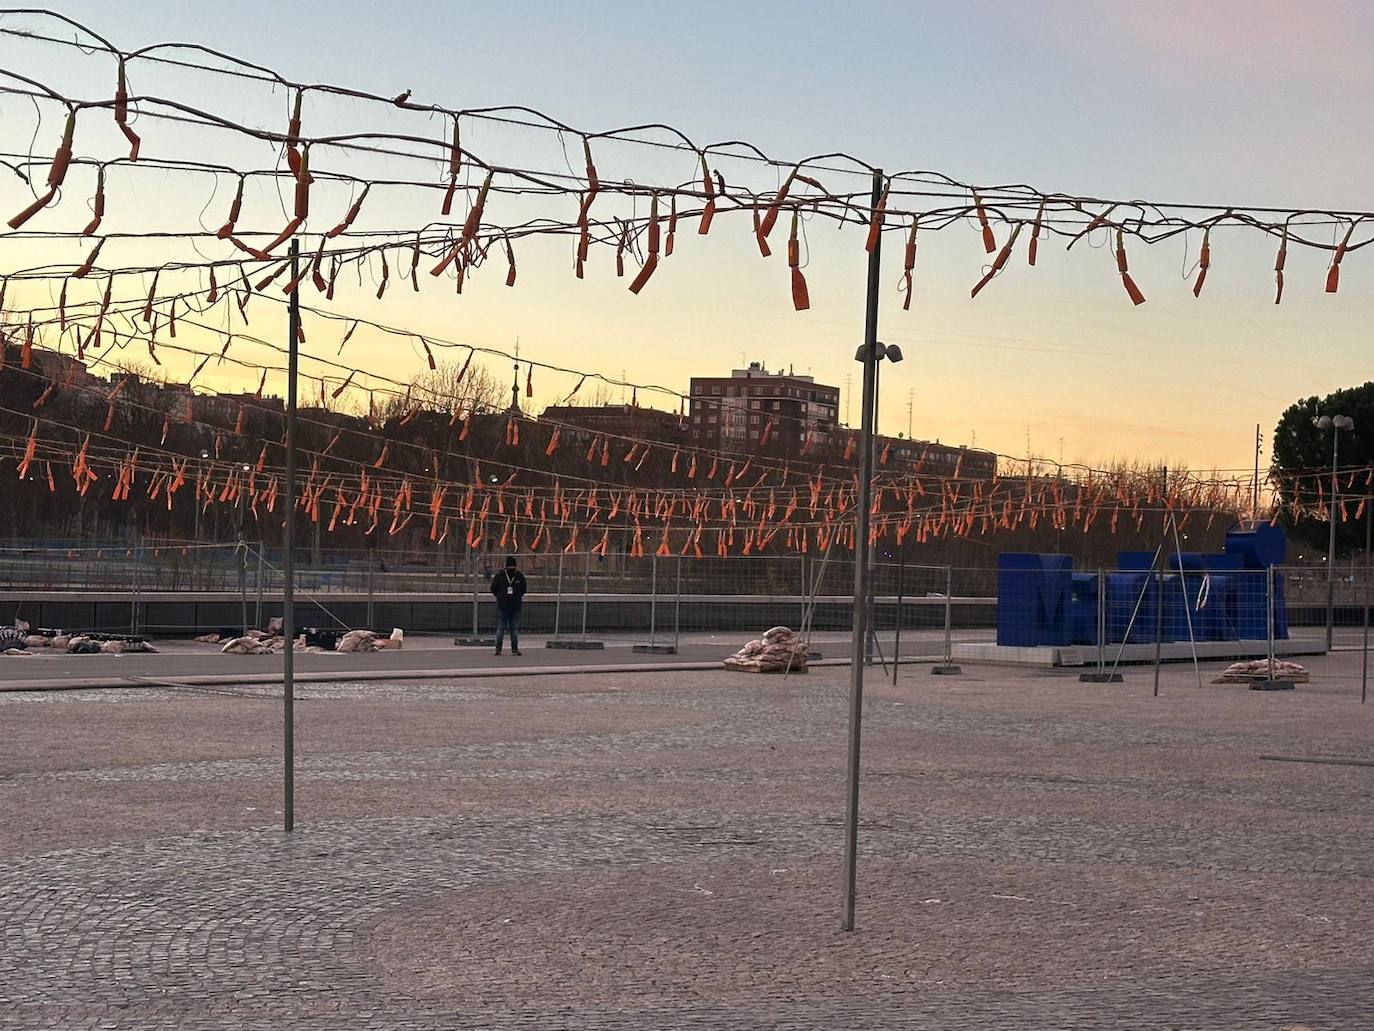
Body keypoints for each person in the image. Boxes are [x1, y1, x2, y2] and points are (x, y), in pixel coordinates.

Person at [490, 555, 528, 655]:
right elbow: (524, 589)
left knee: (501, 627)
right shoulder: (519, 576)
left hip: (503, 605)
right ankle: (514, 649)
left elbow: (493, 589)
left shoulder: (499, 575)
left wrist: (500, 596)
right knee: (514, 628)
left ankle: (498, 649)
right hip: (514, 605)